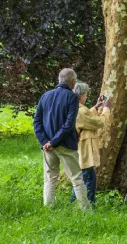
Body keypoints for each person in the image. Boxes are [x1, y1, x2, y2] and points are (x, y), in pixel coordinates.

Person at [34, 68, 90, 209]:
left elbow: (37, 122)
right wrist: (53, 142)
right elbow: (68, 124)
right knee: (77, 178)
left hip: (48, 146)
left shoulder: (45, 96)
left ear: (59, 80)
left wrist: (45, 141)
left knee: (49, 179)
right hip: (65, 144)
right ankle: (86, 211)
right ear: (72, 82)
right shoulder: (71, 97)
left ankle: (48, 208)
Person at [71, 82, 111, 204]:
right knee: (88, 180)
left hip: (80, 149)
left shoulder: (77, 108)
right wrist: (106, 108)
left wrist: (96, 106)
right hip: (85, 149)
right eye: (86, 94)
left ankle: (74, 204)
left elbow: (86, 118)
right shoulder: (81, 111)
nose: (87, 97)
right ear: (82, 95)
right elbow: (99, 122)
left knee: (81, 178)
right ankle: (87, 206)